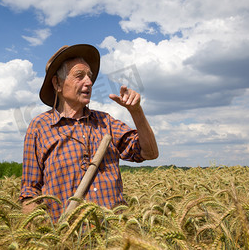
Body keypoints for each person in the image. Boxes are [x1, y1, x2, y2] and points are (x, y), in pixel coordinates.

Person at [19, 44, 158, 222]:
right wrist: (39, 234)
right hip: (66, 238)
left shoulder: (105, 122)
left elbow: (150, 153)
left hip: (112, 235)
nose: (89, 82)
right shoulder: (39, 127)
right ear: (57, 83)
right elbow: (30, 192)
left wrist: (136, 112)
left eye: (90, 77)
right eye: (79, 76)